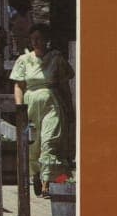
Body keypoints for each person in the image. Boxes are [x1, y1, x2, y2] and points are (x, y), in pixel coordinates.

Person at [10, 22, 75, 197]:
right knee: (34, 146)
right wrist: (19, 107)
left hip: (51, 105)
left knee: (50, 143)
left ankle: (48, 184)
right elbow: (19, 85)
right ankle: (38, 176)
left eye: (39, 38)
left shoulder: (56, 58)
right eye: (33, 39)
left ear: (47, 40)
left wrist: (70, 110)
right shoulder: (24, 60)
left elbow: (64, 86)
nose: (36, 42)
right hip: (30, 107)